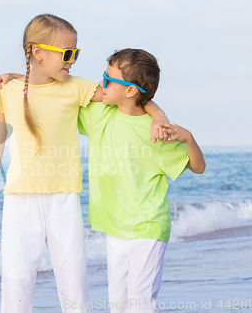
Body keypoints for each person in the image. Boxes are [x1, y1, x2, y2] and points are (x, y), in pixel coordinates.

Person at [0, 14, 168, 313]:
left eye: (75, 53)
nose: (73, 61)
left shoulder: (76, 87)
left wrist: (159, 116)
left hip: (64, 200)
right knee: (15, 285)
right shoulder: (8, 92)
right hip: (19, 201)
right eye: (67, 54)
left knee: (74, 287)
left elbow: (129, 92)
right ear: (37, 52)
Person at [77, 48, 206, 313]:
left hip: (148, 226)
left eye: (108, 78)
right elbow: (61, 90)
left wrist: (189, 139)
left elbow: (198, 167)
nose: (101, 82)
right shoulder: (99, 114)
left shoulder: (155, 132)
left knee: (140, 303)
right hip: (115, 226)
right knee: (118, 304)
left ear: (130, 91)